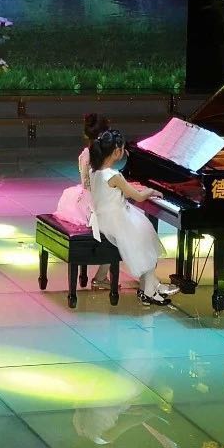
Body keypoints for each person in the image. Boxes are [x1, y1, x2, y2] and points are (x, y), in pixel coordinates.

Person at [88, 129, 178, 306]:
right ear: (117, 152)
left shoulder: (94, 171)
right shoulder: (114, 176)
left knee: (145, 234)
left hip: (102, 219)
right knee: (146, 238)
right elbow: (138, 197)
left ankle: (151, 285)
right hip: (116, 220)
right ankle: (149, 290)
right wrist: (151, 191)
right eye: (123, 149)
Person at [53, 113, 111, 287]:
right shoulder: (99, 156)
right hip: (91, 204)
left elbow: (88, 184)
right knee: (119, 229)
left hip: (83, 199)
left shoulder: (85, 153)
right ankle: (101, 276)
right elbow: (95, 186)